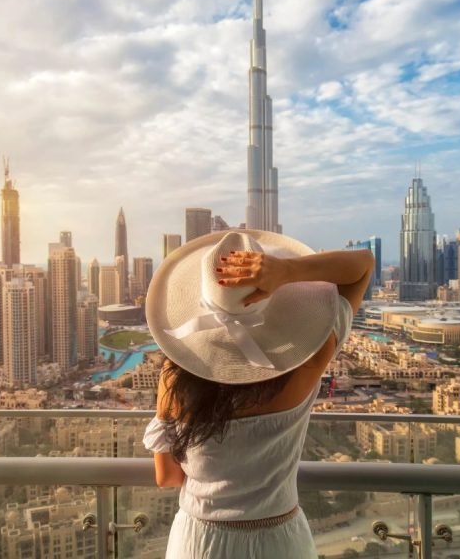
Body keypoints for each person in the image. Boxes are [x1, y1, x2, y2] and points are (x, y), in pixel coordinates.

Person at [143, 230, 372, 558]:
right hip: (279, 539)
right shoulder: (308, 361)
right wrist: (287, 271)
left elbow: (167, 477)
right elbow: (362, 265)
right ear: (270, 295)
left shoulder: (175, 376)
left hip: (199, 542)